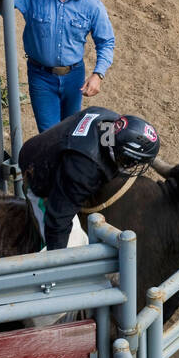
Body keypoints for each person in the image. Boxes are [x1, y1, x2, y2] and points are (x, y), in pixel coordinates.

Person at [18, 107, 160, 252]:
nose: (136, 165)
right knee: (72, 249)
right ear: (125, 154)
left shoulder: (110, 119)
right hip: (38, 173)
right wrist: (59, 257)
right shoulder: (85, 169)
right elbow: (57, 218)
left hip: (49, 146)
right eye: (136, 161)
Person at [15, 0, 115, 132]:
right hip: (41, 76)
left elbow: (106, 41)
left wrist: (98, 74)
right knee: (49, 134)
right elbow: (2, 0)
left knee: (72, 134)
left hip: (74, 78)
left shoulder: (92, 5)